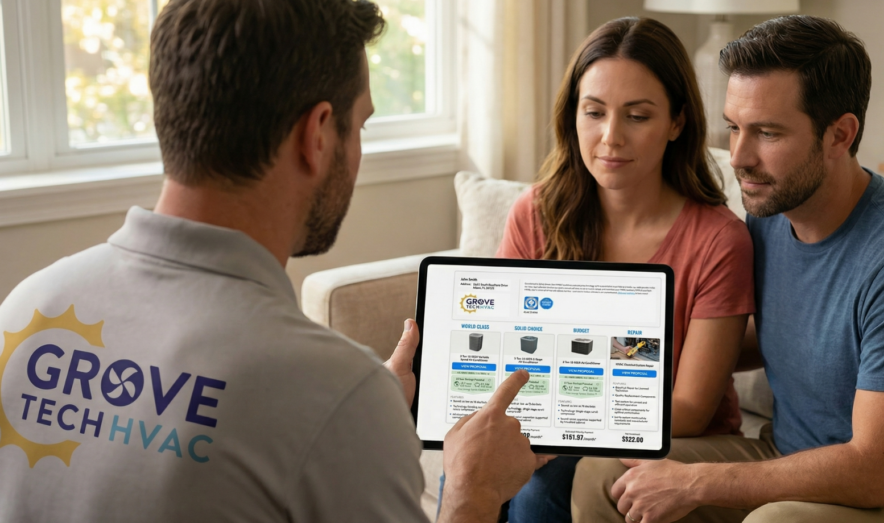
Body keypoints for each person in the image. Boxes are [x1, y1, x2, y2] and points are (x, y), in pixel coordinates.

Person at [0, 1, 540, 522]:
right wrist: (471, 494)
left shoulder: (27, 307)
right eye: (360, 127)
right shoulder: (331, 392)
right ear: (317, 134)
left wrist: (350, 415)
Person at [572, 15, 884, 523]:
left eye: (767, 133)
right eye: (734, 127)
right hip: (788, 459)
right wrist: (607, 351)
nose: (738, 157)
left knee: (779, 521)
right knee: (605, 476)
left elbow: (876, 470)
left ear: (840, 134)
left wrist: (698, 480)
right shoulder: (770, 219)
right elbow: (772, 340)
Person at [441, 17, 757, 523]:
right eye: (594, 112)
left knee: (547, 482)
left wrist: (565, 427)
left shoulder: (719, 240)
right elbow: (501, 354)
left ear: (677, 122)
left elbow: (693, 407)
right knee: (468, 470)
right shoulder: (536, 214)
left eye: (637, 116)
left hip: (672, 443)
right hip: (547, 425)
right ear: (573, 117)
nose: (610, 137)